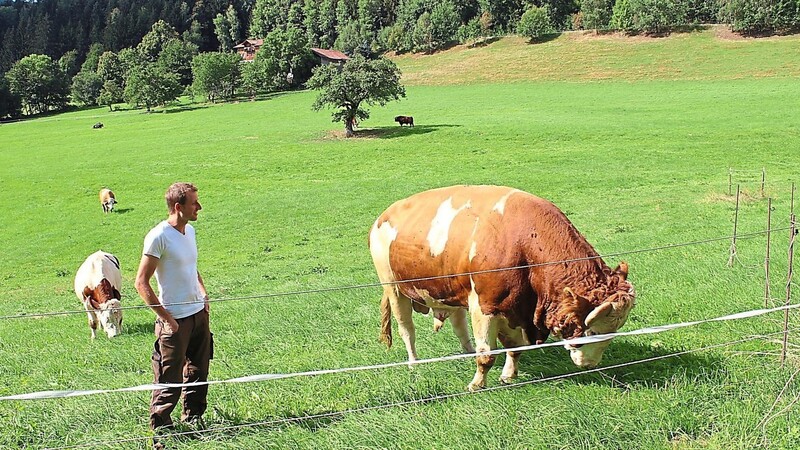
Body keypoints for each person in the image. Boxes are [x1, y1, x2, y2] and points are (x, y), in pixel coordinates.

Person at [135, 182, 212, 437]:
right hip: (175, 322)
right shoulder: (158, 237)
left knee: (199, 371)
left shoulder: (189, 231)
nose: (199, 207)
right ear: (178, 207)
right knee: (169, 380)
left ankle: (194, 420)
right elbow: (141, 282)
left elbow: (191, 267)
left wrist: (202, 293)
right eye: (194, 203)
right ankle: (161, 432)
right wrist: (166, 319)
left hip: (198, 315)